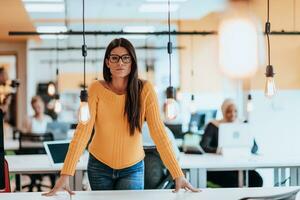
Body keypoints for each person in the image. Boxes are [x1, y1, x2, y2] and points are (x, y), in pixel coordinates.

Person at [44, 38, 199, 196]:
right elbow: (82, 132)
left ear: (132, 62)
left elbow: (159, 133)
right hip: (99, 167)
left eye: (126, 58)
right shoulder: (96, 88)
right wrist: (66, 173)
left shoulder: (145, 89)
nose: (120, 63)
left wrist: (177, 174)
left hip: (132, 168)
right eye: (115, 58)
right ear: (107, 62)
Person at [199, 98, 263, 187]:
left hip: (241, 166)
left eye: (235, 111)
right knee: (233, 182)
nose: (233, 114)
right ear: (223, 111)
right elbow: (203, 146)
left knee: (257, 180)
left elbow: (255, 147)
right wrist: (219, 151)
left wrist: (244, 149)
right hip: (220, 167)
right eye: (229, 111)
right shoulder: (213, 125)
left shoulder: (243, 124)